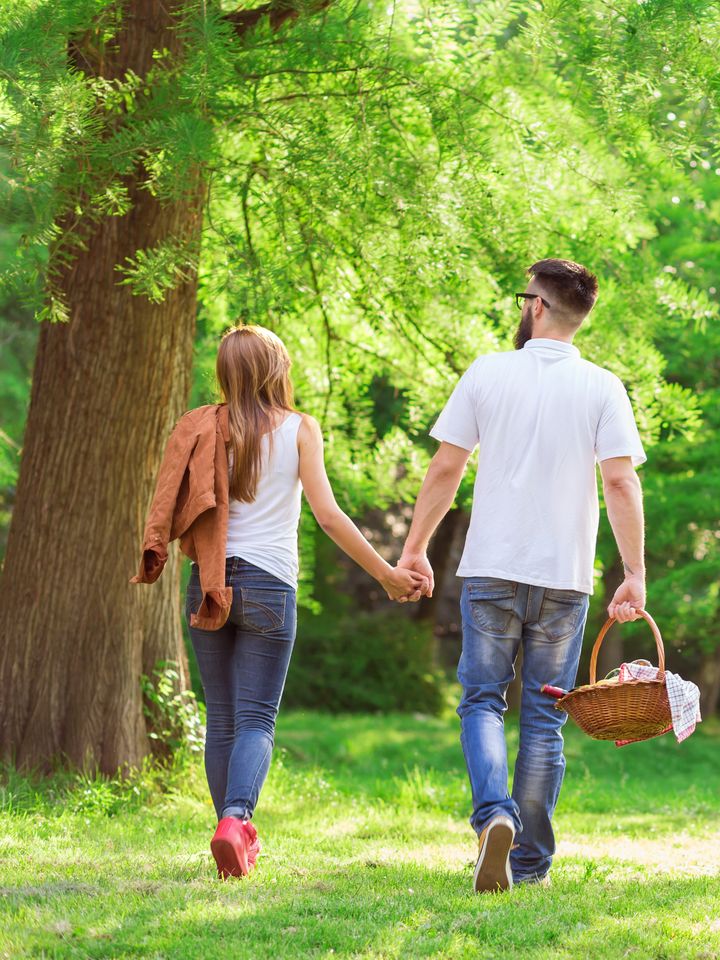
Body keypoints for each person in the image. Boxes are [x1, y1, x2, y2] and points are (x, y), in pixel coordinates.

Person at [397, 258, 648, 893]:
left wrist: (416, 548)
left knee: (482, 700)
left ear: (535, 304)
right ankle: (529, 864)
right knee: (544, 718)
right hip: (565, 577)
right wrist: (634, 573)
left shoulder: (488, 372)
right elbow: (620, 481)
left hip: (492, 569)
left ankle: (494, 819)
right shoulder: (603, 386)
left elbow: (446, 468)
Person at [138, 325, 426, 879]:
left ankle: (229, 835)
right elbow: (328, 515)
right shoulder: (299, 429)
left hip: (209, 580)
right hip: (270, 585)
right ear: (277, 370)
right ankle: (236, 822)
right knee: (256, 720)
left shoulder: (205, 428)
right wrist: (387, 574)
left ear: (225, 373)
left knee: (221, 718)